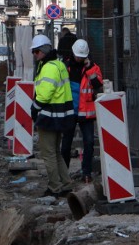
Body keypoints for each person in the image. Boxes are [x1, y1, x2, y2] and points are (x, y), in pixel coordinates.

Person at [30, 34, 75, 198]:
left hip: (49, 117)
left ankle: (54, 187)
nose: (34, 55)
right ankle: (66, 184)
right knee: (56, 152)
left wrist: (34, 108)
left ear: (43, 51)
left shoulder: (48, 67)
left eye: (36, 52)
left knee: (48, 154)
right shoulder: (59, 64)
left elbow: (44, 94)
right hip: (61, 115)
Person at [60, 39, 103, 184]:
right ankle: (63, 173)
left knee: (89, 143)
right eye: (78, 56)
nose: (79, 59)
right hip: (70, 111)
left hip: (86, 113)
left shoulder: (93, 68)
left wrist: (90, 69)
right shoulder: (65, 66)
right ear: (73, 53)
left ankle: (86, 173)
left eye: (82, 56)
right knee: (66, 144)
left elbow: (97, 85)